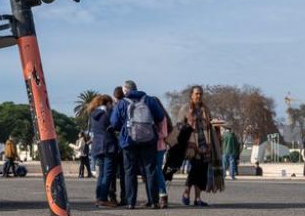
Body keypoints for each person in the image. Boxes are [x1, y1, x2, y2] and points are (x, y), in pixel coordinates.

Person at [110, 80, 166, 209]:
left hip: (129, 140)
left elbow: (114, 123)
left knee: (129, 171)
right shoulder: (150, 100)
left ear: (126, 91)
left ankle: (131, 202)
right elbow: (160, 116)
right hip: (149, 140)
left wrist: (125, 127)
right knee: (150, 170)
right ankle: (154, 201)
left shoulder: (122, 103)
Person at [176, 85, 219, 206]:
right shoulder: (185, 108)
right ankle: (186, 192)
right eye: (197, 94)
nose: (199, 96)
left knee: (202, 172)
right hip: (191, 145)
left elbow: (209, 125)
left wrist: (215, 123)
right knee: (194, 169)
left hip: (205, 144)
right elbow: (179, 125)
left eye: (200, 94)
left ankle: (197, 198)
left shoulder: (206, 109)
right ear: (191, 95)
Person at [89, 94, 118, 207]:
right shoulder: (107, 113)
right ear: (107, 103)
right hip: (108, 145)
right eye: (111, 103)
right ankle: (103, 198)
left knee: (101, 173)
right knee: (108, 174)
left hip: (97, 146)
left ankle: (98, 197)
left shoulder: (93, 114)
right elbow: (114, 125)